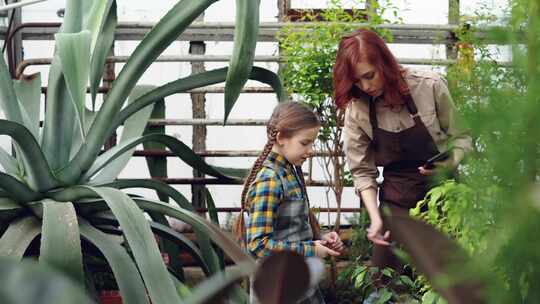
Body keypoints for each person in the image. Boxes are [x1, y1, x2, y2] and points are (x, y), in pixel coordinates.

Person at [333, 29, 472, 281]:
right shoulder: (357, 108)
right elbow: (362, 171)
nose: (365, 86)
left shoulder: (429, 86)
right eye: (357, 81)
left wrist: (450, 162)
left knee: (450, 279)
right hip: (397, 200)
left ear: (384, 64)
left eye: (369, 76)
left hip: (444, 198)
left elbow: (462, 136)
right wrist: (375, 219)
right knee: (385, 281)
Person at [235, 102, 345, 304]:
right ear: (281, 138)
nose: (310, 150)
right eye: (305, 143)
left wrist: (321, 238)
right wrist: (312, 249)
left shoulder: (290, 172)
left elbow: (291, 229)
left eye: (312, 143)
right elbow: (259, 246)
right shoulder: (269, 180)